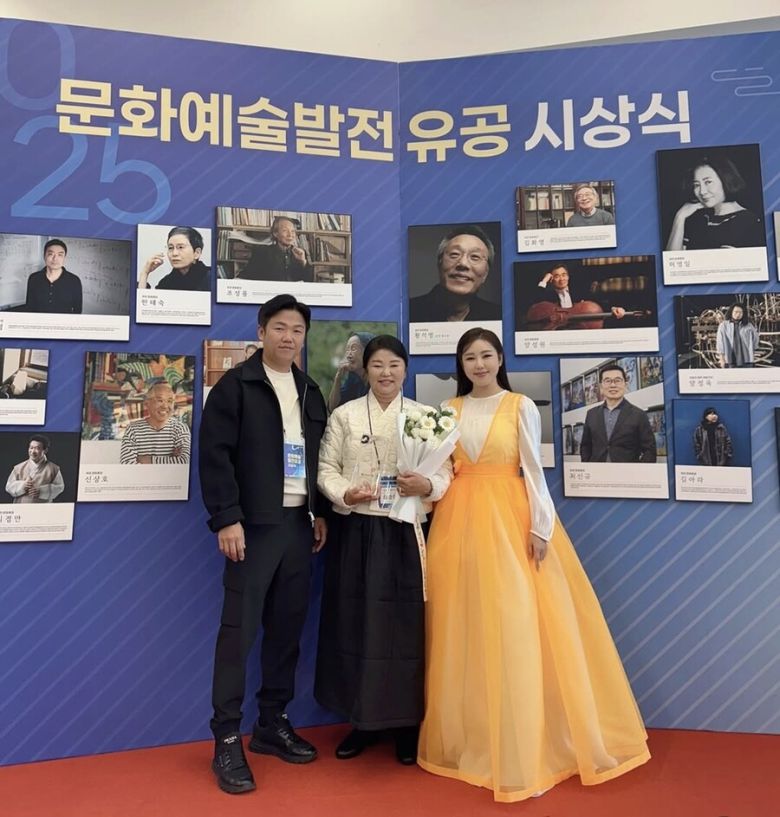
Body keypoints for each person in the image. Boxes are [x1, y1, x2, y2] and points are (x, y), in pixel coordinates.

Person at [418, 328, 650, 802]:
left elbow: (533, 469)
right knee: (462, 624)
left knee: (516, 624)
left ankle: (525, 739)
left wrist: (541, 526)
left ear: (500, 359)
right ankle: (472, 736)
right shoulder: (448, 410)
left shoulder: (519, 405)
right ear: (460, 364)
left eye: (486, 355)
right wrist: (424, 487)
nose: (479, 365)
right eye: (469, 357)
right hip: (456, 523)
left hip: (509, 516)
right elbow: (442, 469)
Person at [199, 294, 328, 795]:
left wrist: (318, 512)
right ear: (261, 332)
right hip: (251, 529)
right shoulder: (236, 386)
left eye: (297, 330)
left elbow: (318, 458)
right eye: (279, 328)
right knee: (238, 634)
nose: (288, 337)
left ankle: (271, 722)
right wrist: (227, 518)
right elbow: (214, 456)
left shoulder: (309, 389)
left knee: (286, 630)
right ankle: (227, 738)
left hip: (298, 526)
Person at [316, 335, 451, 765]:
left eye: (394, 364)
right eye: (377, 365)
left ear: (405, 369)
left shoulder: (425, 417)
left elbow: (446, 473)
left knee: (405, 628)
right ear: (365, 370)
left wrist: (427, 485)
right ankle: (362, 721)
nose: (386, 373)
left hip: (406, 531)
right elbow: (325, 469)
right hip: (357, 529)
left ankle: (406, 725)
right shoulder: (345, 415)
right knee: (355, 623)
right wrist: (344, 492)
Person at [665, 155, 764, 250]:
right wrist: (679, 217)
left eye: (708, 182)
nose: (702, 192)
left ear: (726, 180)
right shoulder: (696, 219)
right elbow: (672, 260)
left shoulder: (750, 223)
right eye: (697, 185)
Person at [409, 225, 500, 323]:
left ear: (486, 273)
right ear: (439, 263)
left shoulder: (497, 315)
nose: (463, 264)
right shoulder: (410, 311)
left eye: (475, 257)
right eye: (454, 254)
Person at [580, 365, 656, 463]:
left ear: (625, 385)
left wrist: (638, 471)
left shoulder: (639, 415)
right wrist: (587, 466)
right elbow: (585, 446)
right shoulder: (591, 414)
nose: (613, 385)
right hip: (596, 471)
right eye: (607, 381)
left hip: (627, 471)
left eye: (617, 380)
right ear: (601, 386)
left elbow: (650, 450)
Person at [529, 264, 626, 327]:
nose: (562, 279)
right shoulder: (548, 296)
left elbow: (595, 304)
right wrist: (544, 281)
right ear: (551, 280)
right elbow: (534, 304)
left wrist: (613, 308)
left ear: (568, 276)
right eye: (557, 276)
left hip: (580, 327)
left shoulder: (579, 291)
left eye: (564, 275)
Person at [119, 382, 191, 464]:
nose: (165, 406)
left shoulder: (180, 429)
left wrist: (148, 460)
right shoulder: (133, 429)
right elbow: (127, 463)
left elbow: (186, 461)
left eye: (170, 401)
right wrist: (171, 460)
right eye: (160, 400)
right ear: (147, 404)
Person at [240, 217, 313, 282]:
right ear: (275, 233)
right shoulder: (262, 252)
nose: (290, 235)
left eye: (292, 231)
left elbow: (309, 280)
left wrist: (303, 262)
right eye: (285, 230)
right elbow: (246, 277)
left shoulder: (301, 253)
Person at [138, 227, 210, 291]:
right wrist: (145, 273)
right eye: (170, 248)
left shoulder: (211, 278)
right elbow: (144, 300)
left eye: (180, 247)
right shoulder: (166, 283)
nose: (174, 253)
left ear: (197, 253)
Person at [24, 239, 82, 314]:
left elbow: (77, 312)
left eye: (60, 255)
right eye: (50, 254)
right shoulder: (34, 278)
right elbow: (29, 308)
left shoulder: (74, 281)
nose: (55, 259)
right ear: (44, 256)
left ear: (64, 258)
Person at [5, 435, 64, 503]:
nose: (33, 451)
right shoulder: (18, 468)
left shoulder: (54, 469)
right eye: (31, 448)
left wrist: (41, 491)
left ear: (45, 450)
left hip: (43, 507)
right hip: (21, 506)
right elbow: (8, 486)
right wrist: (23, 485)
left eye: (37, 448)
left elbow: (60, 487)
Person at [326, 331, 374, 412]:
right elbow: (333, 408)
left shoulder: (379, 379)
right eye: (347, 350)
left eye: (353, 349)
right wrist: (338, 378)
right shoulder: (353, 378)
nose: (348, 355)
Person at [716, 303, 759, 368]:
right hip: (730, 359)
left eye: (740, 312)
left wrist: (752, 350)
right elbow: (720, 342)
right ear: (731, 312)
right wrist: (722, 358)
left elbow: (755, 338)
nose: (738, 314)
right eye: (736, 312)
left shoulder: (748, 325)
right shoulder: (724, 326)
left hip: (746, 359)